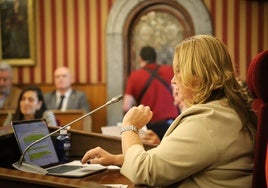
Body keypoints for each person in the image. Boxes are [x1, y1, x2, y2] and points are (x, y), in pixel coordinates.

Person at [81, 35, 257, 187]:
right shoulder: (223, 112)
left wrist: (129, 126)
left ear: (200, 76)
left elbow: (143, 171)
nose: (173, 80)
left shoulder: (206, 122)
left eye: (179, 72)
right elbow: (173, 158)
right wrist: (117, 159)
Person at [123, 46, 179, 141]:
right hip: (172, 125)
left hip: (149, 127)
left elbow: (126, 106)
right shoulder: (170, 70)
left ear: (140, 58)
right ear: (155, 58)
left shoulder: (135, 76)